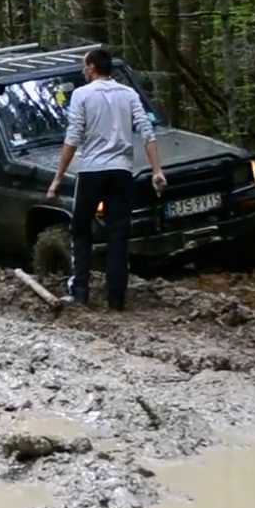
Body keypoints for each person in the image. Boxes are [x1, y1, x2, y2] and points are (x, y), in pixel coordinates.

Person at [47, 48, 166, 311]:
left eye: (84, 66)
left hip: (91, 171)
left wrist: (57, 178)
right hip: (122, 172)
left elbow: (72, 137)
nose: (82, 70)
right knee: (118, 234)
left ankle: (80, 291)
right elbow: (147, 132)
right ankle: (116, 297)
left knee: (80, 230)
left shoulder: (82, 95)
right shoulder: (128, 94)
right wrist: (157, 170)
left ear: (91, 67)